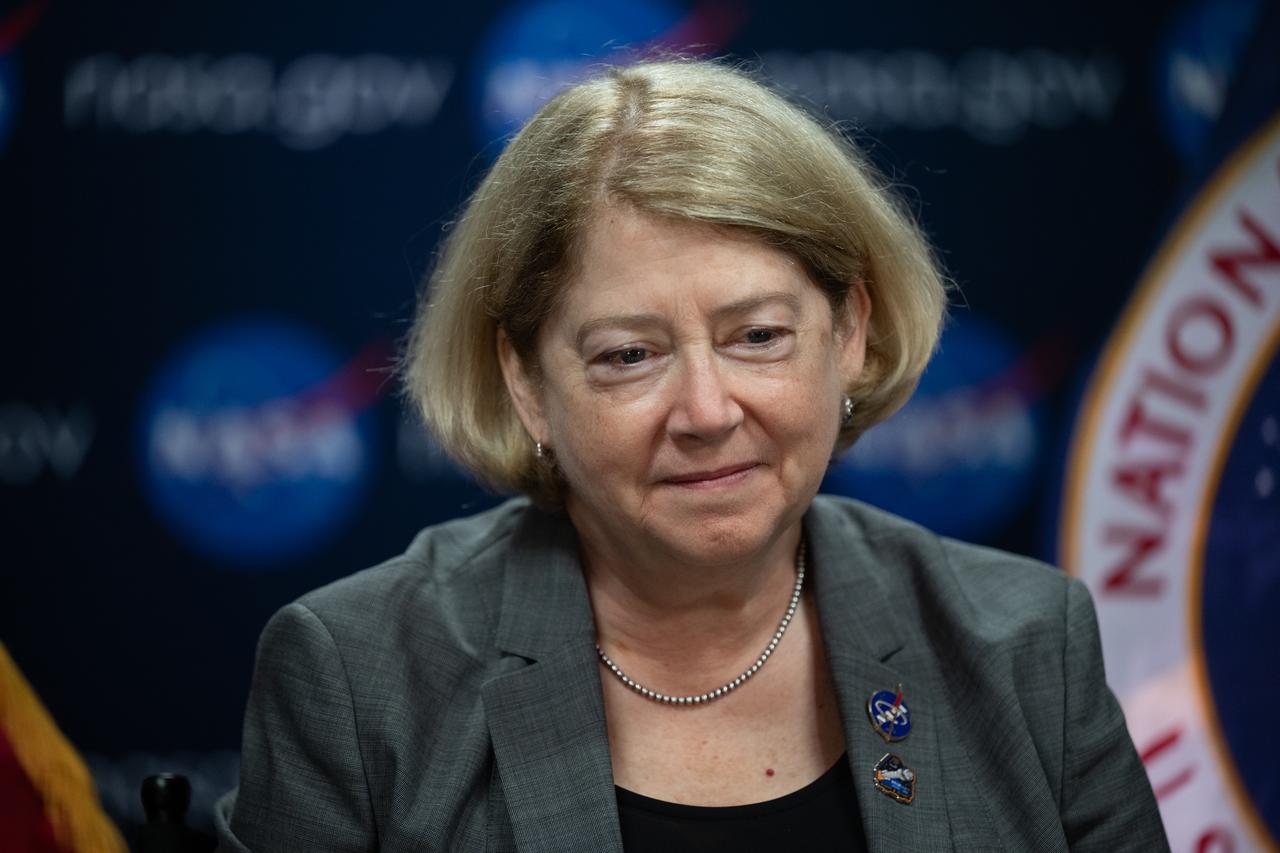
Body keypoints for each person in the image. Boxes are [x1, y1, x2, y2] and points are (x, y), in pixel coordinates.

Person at [214, 59, 1169, 852]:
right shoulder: (357, 674)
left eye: (757, 335)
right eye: (629, 355)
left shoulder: (1028, 647)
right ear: (527, 383)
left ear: (849, 335)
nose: (707, 411)